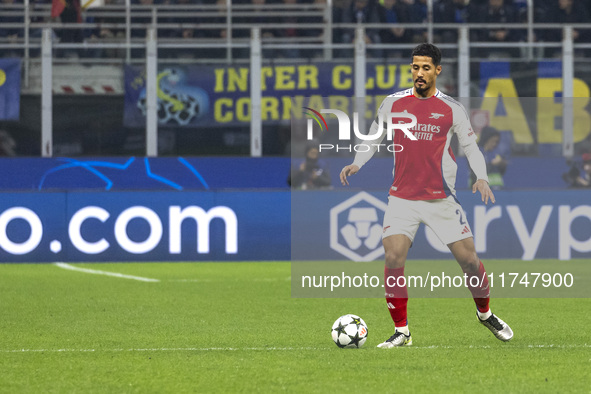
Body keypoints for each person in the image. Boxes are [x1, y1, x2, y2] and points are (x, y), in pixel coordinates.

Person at [339, 43, 513, 348]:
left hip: (440, 199)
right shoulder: (392, 103)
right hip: (402, 198)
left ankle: (485, 314)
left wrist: (482, 177)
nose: (419, 73)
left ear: (437, 71)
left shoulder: (452, 108)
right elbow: (373, 137)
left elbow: (470, 146)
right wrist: (357, 162)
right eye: (415, 67)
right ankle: (402, 331)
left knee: (470, 263)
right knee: (393, 258)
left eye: (426, 68)